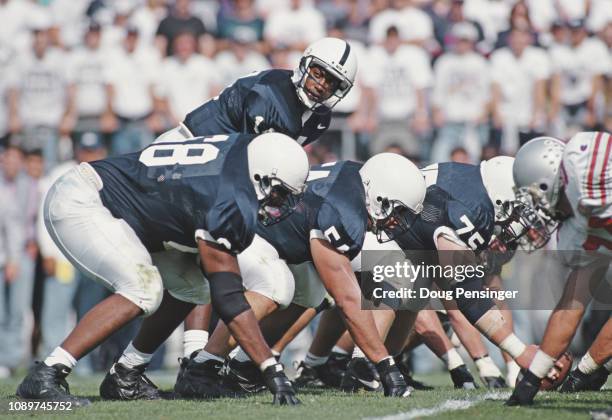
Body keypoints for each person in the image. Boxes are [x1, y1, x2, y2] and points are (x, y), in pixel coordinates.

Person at [16, 131, 309, 406]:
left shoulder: (240, 156)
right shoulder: (227, 197)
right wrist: (271, 369)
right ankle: (48, 373)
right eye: (279, 193)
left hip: (120, 210)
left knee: (194, 286)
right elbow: (230, 298)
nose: (279, 204)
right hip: (84, 200)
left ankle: (126, 373)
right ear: (260, 177)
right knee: (143, 289)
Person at [507, 132, 611, 405]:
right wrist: (532, 379)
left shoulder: (584, 163)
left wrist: (591, 367)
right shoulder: (574, 231)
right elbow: (571, 307)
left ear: (546, 181)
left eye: (531, 196)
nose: (533, 209)